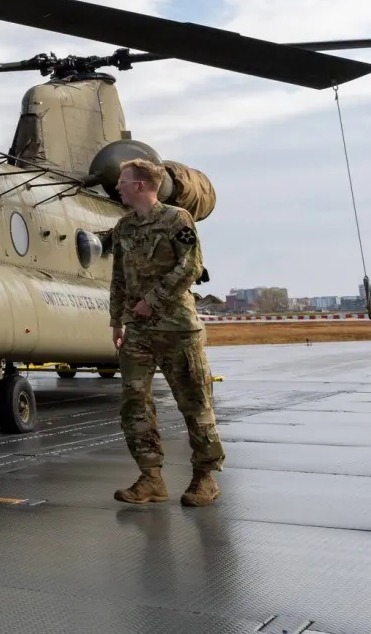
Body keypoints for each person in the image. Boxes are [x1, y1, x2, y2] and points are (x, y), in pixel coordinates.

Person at [108, 159, 224, 506]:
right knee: (134, 404)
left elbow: (191, 266)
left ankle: (205, 478)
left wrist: (153, 300)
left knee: (194, 402)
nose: (117, 186)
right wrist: (116, 320)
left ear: (140, 185)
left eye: (123, 181)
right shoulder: (124, 227)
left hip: (178, 328)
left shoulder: (177, 219)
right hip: (138, 330)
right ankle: (151, 478)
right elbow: (118, 277)